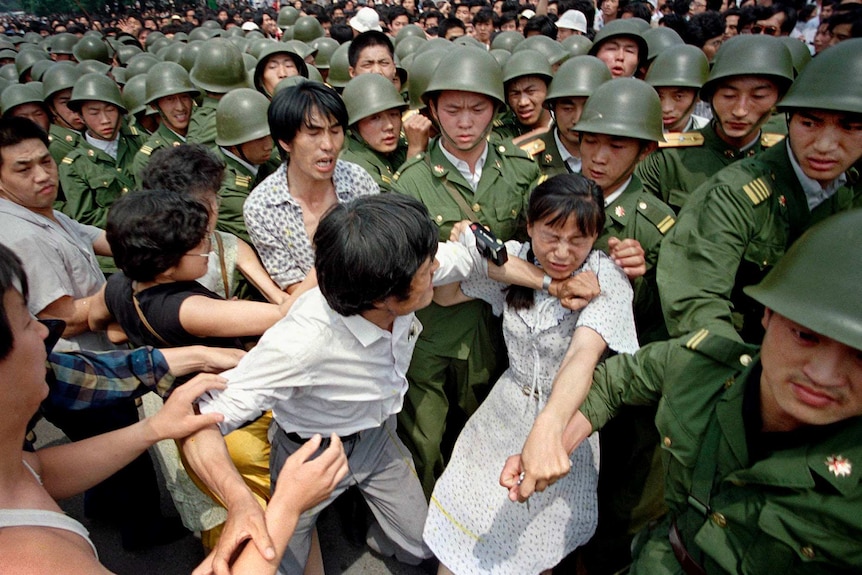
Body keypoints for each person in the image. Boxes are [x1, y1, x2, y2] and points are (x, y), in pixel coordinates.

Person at [503, 208, 862, 574]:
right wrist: (553, 439)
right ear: (767, 315)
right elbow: (614, 382)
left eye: (860, 357)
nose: (824, 374)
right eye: (805, 336)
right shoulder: (702, 365)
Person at [0, 243, 347, 575]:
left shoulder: (11, 471)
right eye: (28, 323)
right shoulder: (29, 558)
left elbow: (40, 471)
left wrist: (153, 429)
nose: (46, 331)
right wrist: (286, 507)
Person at [180, 194, 483, 573]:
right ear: (385, 296)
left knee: (423, 542)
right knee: (283, 560)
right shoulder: (301, 344)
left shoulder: (395, 262)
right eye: (428, 267)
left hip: (376, 438)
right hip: (307, 456)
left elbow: (470, 257)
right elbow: (195, 424)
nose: (437, 267)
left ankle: (375, 535)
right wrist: (240, 500)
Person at [426, 175, 639, 575]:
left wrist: (549, 428)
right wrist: (464, 247)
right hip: (501, 415)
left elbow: (582, 356)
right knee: (467, 522)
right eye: (550, 235)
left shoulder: (605, 278)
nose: (562, 252)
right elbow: (445, 293)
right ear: (529, 225)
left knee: (531, 539)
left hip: (564, 421)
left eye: (578, 240)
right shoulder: (512, 259)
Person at [392, 46, 541, 497]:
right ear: (432, 110)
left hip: (499, 333)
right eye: (452, 109)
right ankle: (424, 531)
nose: (464, 120)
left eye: (477, 108)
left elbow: (539, 244)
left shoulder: (520, 169)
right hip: (434, 335)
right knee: (425, 439)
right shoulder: (412, 181)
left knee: (488, 437)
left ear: (495, 110)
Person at [657, 38, 862, 344]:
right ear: (790, 119)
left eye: (849, 127)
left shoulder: (852, 191)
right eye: (810, 123)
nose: (825, 145)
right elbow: (697, 301)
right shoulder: (734, 194)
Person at [242, 82, 378, 299]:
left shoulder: (357, 180)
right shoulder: (262, 207)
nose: (328, 144)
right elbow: (293, 285)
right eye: (313, 134)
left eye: (335, 131)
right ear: (286, 141)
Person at [637, 35, 794, 214]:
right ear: (710, 95)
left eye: (758, 97)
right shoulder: (668, 159)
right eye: (728, 95)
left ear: (778, 99)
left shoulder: (788, 161)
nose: (739, 111)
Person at [513, 55, 612, 178]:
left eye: (588, 108)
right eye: (567, 108)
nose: (577, 120)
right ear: (553, 108)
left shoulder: (621, 155)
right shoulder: (521, 157)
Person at [340, 73, 431, 192]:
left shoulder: (399, 146)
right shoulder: (353, 168)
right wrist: (415, 153)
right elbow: (395, 207)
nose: (389, 126)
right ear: (354, 126)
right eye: (375, 118)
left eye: (394, 115)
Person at [131, 61, 200, 185]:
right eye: (170, 100)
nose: (180, 107)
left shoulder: (208, 131)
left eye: (184, 97)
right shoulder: (148, 158)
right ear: (154, 105)